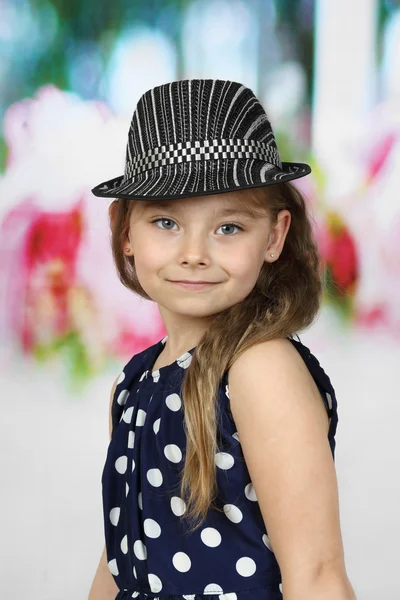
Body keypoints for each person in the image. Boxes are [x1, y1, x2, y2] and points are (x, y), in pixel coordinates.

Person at [88, 79, 356, 600]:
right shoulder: (136, 383)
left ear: (275, 236)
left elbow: (317, 573)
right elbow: (122, 558)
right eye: (166, 222)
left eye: (228, 228)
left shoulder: (260, 370)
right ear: (125, 233)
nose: (194, 253)